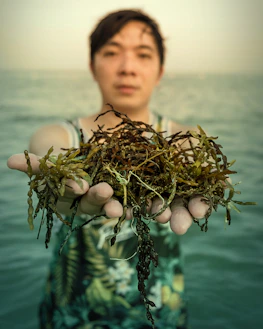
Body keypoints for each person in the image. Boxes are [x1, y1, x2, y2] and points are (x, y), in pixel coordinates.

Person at [7, 9, 209, 329]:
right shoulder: (60, 138)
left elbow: (193, 155)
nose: (127, 68)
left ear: (160, 70)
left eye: (143, 55)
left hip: (160, 313)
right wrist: (59, 185)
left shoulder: (182, 141)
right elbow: (49, 161)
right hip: (73, 314)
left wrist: (197, 176)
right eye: (112, 52)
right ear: (92, 65)